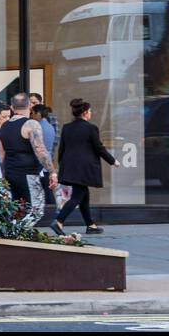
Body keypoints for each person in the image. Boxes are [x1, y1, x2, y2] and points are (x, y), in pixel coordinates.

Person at [54, 99, 117, 236]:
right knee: (77, 197)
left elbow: (62, 149)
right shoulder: (91, 128)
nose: (91, 113)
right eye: (89, 111)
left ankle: (90, 225)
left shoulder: (67, 127)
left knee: (84, 196)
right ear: (84, 113)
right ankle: (59, 221)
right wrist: (112, 161)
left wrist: (62, 166)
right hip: (84, 169)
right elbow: (99, 148)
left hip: (70, 167)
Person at [0, 92, 56, 221]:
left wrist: (4, 175)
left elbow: (2, 155)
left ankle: (15, 236)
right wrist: (52, 172)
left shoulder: (4, 127)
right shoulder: (31, 124)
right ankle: (20, 236)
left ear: (12, 107)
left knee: (18, 210)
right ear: (29, 105)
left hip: (10, 173)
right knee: (35, 211)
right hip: (28, 174)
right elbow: (40, 150)